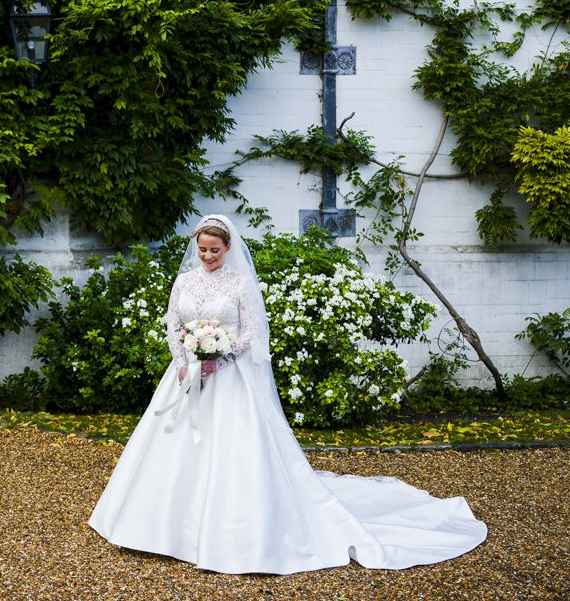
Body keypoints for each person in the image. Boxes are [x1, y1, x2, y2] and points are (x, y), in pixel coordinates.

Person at [88, 214, 487, 574]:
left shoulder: (241, 283)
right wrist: (184, 360)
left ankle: (230, 535)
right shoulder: (184, 281)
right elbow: (174, 322)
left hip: (230, 380)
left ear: (228, 248)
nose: (207, 256)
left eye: (214, 250)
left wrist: (219, 360)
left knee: (236, 452)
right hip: (187, 377)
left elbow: (250, 333)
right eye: (202, 249)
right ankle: (161, 529)